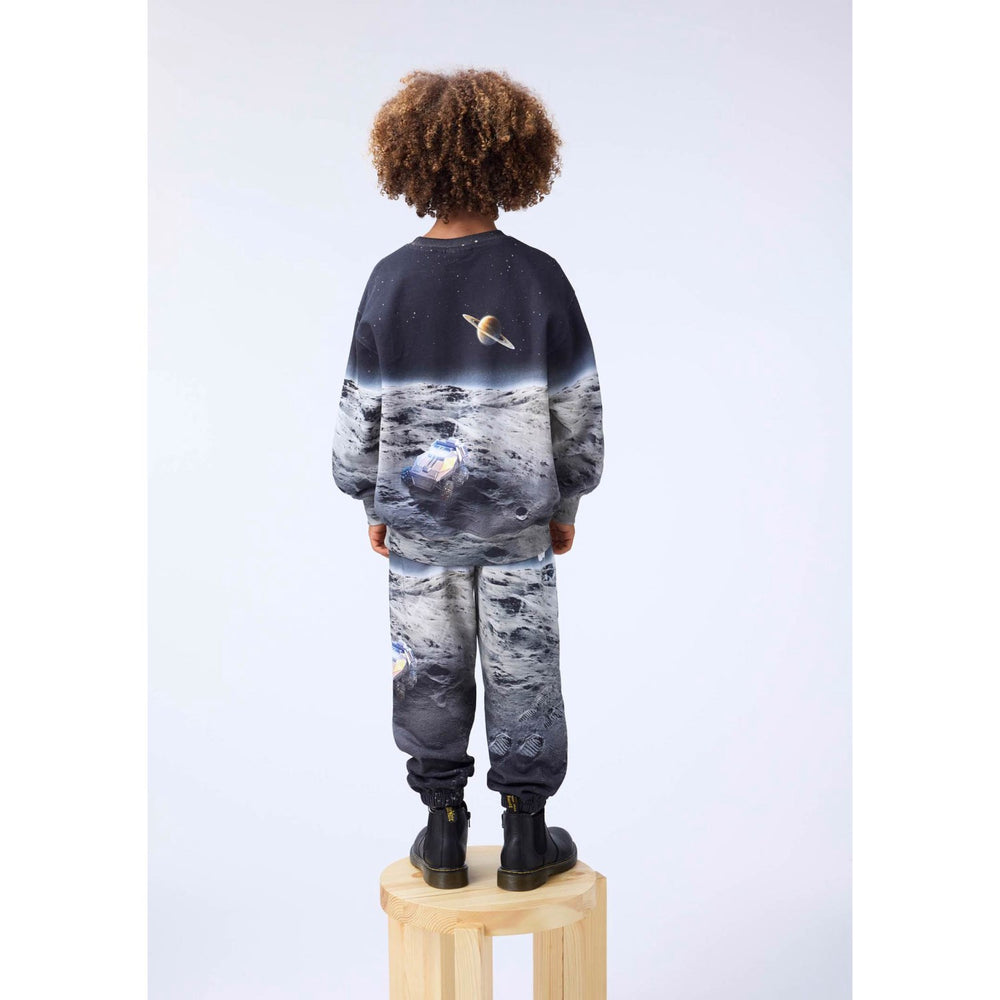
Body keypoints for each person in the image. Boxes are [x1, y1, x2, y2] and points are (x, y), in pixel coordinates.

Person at [331, 68, 605, 892]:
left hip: (421, 533)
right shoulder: (541, 276)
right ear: (516, 160)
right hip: (520, 532)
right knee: (524, 667)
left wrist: (369, 495)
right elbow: (576, 409)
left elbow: (361, 408)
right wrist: (567, 498)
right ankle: (526, 833)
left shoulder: (390, 279)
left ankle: (442, 829)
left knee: (427, 667)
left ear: (410, 162)